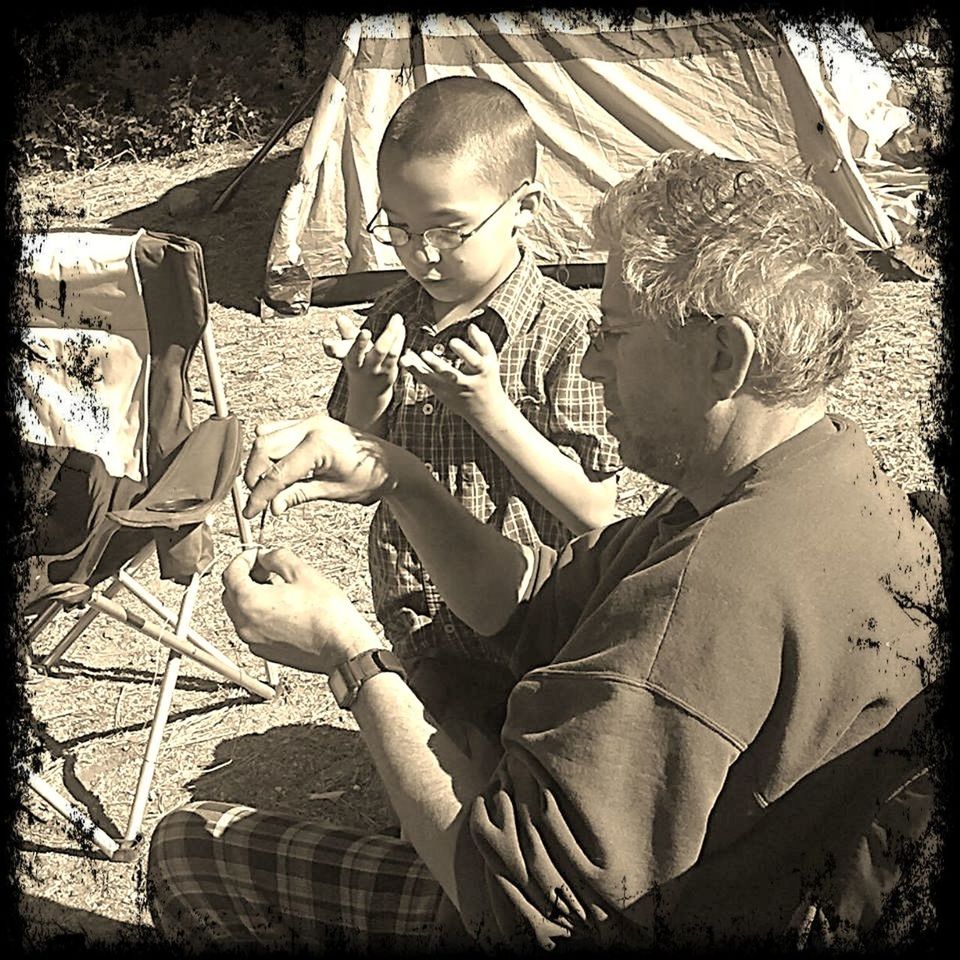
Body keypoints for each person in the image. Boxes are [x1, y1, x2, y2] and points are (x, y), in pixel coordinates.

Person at [147, 151, 941, 952]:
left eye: (615, 335)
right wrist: (402, 480)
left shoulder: (707, 598)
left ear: (723, 357)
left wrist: (352, 659)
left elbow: (512, 909)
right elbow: (529, 600)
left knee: (190, 852)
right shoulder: (817, 478)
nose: (594, 362)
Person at [320, 76, 621, 743]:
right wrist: (368, 389)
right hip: (420, 618)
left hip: (541, 623)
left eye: (449, 230)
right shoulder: (394, 315)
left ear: (525, 207)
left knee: (533, 777)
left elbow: (596, 512)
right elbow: (354, 474)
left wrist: (492, 413)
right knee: (448, 762)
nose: (421, 255)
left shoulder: (565, 333)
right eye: (398, 229)